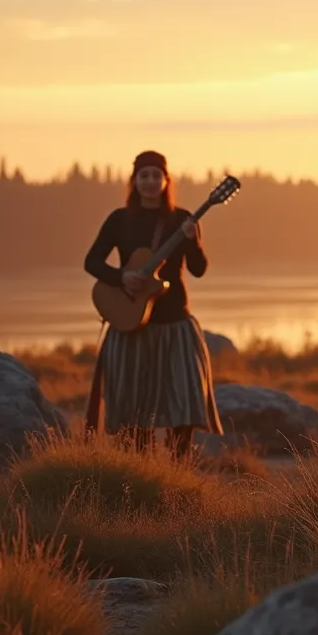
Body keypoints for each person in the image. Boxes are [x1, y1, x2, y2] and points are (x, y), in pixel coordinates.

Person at [83, 149, 224, 458]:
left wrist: (192, 240)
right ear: (134, 181)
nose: (149, 181)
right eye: (143, 176)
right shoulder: (119, 220)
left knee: (184, 405)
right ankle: (139, 473)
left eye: (155, 176)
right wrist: (122, 277)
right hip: (131, 326)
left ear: (165, 180)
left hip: (175, 324)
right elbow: (92, 262)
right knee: (133, 411)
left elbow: (199, 269)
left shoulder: (183, 219)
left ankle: (177, 471)